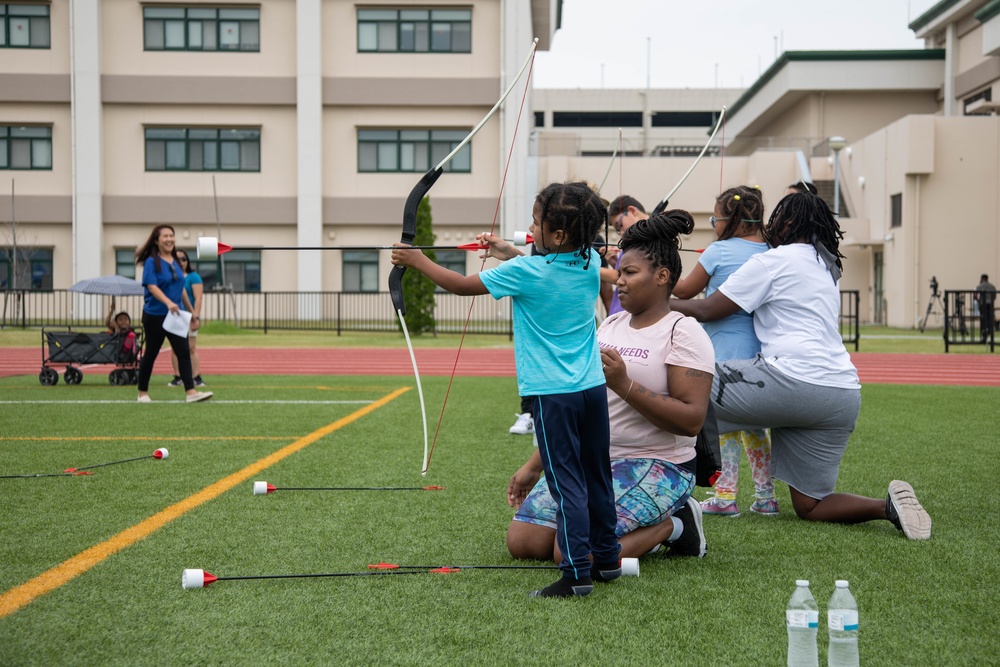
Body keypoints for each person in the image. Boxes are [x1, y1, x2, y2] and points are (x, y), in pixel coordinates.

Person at [392, 182, 621, 598]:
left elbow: (462, 286)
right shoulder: (588, 264)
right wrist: (508, 251)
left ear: (559, 235)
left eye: (536, 224)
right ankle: (606, 560)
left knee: (565, 481)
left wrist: (417, 259)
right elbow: (551, 269)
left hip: (553, 396)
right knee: (595, 474)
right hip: (591, 389)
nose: (529, 230)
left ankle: (575, 575)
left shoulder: (527, 272)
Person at [672, 193, 931, 539]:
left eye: (777, 219)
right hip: (841, 394)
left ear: (789, 224)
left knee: (679, 391)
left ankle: (663, 499)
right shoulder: (828, 265)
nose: (770, 227)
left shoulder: (773, 261)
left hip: (789, 380)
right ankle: (886, 507)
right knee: (811, 505)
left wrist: (655, 300)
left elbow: (707, 310)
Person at [506, 210, 714, 564]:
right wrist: (534, 465)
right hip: (597, 458)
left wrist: (624, 384)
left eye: (630, 274)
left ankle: (676, 526)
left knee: (574, 553)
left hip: (659, 464)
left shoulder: (684, 331)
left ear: (662, 276)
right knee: (524, 543)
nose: (619, 282)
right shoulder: (611, 325)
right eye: (620, 273)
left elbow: (692, 420)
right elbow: (579, 407)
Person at [672, 185, 776, 517]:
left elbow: (686, 289)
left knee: (725, 426)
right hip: (759, 354)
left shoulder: (718, 252)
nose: (713, 225)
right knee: (754, 426)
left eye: (715, 218)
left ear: (730, 220)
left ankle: (726, 495)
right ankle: (765, 497)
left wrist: (659, 269)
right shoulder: (772, 249)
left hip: (721, 354)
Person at [135, 224, 213, 404]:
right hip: (155, 315)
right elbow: (152, 286)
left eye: (172, 235)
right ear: (157, 240)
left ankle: (191, 392)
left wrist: (192, 313)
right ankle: (142, 393)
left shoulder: (176, 261)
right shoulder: (151, 262)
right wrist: (168, 302)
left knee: (183, 351)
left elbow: (181, 290)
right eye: (165, 236)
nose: (170, 239)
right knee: (151, 353)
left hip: (175, 316)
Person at [605, 195, 649, 315]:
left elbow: (617, 276)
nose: (622, 233)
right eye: (618, 230)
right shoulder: (631, 239)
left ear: (632, 211)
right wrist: (616, 264)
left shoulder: (648, 237)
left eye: (620, 225)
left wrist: (587, 267)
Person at [169, 250, 206, 388]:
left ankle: (196, 376)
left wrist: (195, 316)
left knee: (191, 347)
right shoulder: (172, 276)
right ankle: (178, 377)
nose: (181, 262)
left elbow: (198, 298)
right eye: (178, 259)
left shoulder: (193, 277)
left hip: (189, 316)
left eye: (184, 259)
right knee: (175, 348)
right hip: (176, 316)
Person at [974, 274, 996, 342]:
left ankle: (984, 336)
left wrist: (979, 301)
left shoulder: (979, 286)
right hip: (990, 305)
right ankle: (990, 334)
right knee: (990, 320)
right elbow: (994, 296)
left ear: (982, 279)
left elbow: (975, 295)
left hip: (983, 305)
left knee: (983, 320)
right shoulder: (992, 286)